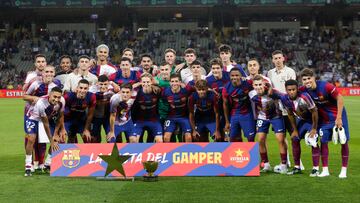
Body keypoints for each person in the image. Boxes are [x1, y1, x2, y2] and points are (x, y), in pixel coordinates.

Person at [300, 68, 350, 178]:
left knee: (343, 140)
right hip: (324, 119)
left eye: (309, 78)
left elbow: (340, 98)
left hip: (338, 116)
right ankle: (325, 170)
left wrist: (339, 117)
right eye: (304, 79)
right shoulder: (303, 89)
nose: (307, 81)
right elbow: (291, 93)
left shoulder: (326, 86)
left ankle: (344, 170)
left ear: (314, 78)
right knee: (323, 140)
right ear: (302, 81)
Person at [270, 79, 319, 176]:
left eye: (293, 89)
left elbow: (314, 112)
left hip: (310, 121)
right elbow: (290, 114)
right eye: (289, 90)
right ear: (286, 90)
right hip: (300, 120)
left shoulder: (304, 97)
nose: (291, 92)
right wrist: (295, 130)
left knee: (313, 140)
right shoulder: (284, 99)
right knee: (294, 138)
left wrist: (314, 129)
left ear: (297, 89)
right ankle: (297, 167)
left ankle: (315, 169)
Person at [23, 65, 61, 172]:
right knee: (31, 138)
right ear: (42, 73)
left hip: (48, 115)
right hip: (32, 114)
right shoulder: (35, 83)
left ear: (54, 74)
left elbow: (59, 102)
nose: (49, 74)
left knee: (43, 140)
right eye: (46, 71)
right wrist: (35, 98)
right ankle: (29, 164)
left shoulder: (56, 84)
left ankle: (44, 163)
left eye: (51, 72)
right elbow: (24, 96)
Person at [249, 75, 287, 174]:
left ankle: (284, 164)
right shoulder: (252, 94)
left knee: (280, 140)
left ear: (264, 84)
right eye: (256, 85)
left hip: (276, 117)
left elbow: (284, 97)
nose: (258, 87)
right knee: (260, 139)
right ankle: (266, 164)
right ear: (253, 85)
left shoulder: (272, 92)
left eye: (260, 84)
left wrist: (280, 105)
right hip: (262, 118)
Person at [24, 87, 64, 176]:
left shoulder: (62, 101)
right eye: (54, 96)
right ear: (49, 94)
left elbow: (60, 116)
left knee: (57, 139)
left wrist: (56, 133)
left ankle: (47, 164)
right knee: (31, 138)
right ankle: (28, 166)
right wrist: (51, 140)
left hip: (49, 118)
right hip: (33, 118)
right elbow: (45, 124)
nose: (56, 99)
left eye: (59, 97)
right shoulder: (41, 103)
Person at [267, 50, 297, 168]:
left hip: (290, 109)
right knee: (281, 137)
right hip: (277, 110)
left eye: (279, 58)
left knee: (294, 136)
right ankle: (287, 161)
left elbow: (292, 89)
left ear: (283, 58)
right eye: (275, 58)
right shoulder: (270, 73)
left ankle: (298, 162)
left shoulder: (290, 71)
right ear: (272, 60)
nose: (278, 60)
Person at [222, 68, 255, 142]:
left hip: (247, 113)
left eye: (237, 75)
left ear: (241, 76)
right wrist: (227, 121)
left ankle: (251, 153)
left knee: (250, 137)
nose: (234, 77)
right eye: (232, 75)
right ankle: (239, 153)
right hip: (234, 114)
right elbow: (225, 105)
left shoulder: (248, 83)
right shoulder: (226, 88)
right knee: (233, 138)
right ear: (229, 76)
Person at [132, 73, 163, 143]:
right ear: (141, 82)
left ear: (151, 82)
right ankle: (137, 154)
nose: (146, 84)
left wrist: (157, 83)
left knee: (159, 140)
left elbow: (167, 88)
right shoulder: (137, 93)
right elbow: (126, 89)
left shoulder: (157, 91)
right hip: (140, 121)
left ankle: (157, 154)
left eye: (148, 82)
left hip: (154, 120)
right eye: (144, 82)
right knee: (134, 140)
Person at [63, 79, 96, 143]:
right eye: (81, 88)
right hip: (68, 120)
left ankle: (87, 153)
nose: (82, 90)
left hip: (81, 119)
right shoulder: (68, 96)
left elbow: (90, 114)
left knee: (87, 138)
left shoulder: (91, 97)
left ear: (88, 89)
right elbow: (60, 113)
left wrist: (86, 129)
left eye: (85, 88)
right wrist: (62, 128)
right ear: (77, 88)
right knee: (61, 138)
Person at [162, 74, 192, 142]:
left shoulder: (186, 90)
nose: (174, 83)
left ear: (180, 82)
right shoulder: (165, 92)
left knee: (189, 137)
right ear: (170, 82)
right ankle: (168, 152)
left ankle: (187, 152)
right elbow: (163, 100)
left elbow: (198, 89)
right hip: (171, 117)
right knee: (166, 137)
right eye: (172, 81)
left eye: (176, 81)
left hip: (184, 117)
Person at [206, 58, 230, 141]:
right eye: (213, 68)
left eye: (217, 68)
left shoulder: (229, 76)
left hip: (230, 109)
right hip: (216, 111)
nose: (215, 70)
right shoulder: (208, 80)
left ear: (222, 68)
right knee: (218, 136)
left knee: (231, 135)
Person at [89, 75, 116, 143]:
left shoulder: (112, 89)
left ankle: (112, 152)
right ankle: (95, 153)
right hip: (95, 118)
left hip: (107, 118)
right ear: (97, 83)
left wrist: (112, 83)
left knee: (111, 137)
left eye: (105, 84)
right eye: (101, 84)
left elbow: (118, 91)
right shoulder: (92, 89)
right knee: (94, 138)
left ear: (108, 83)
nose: (103, 86)